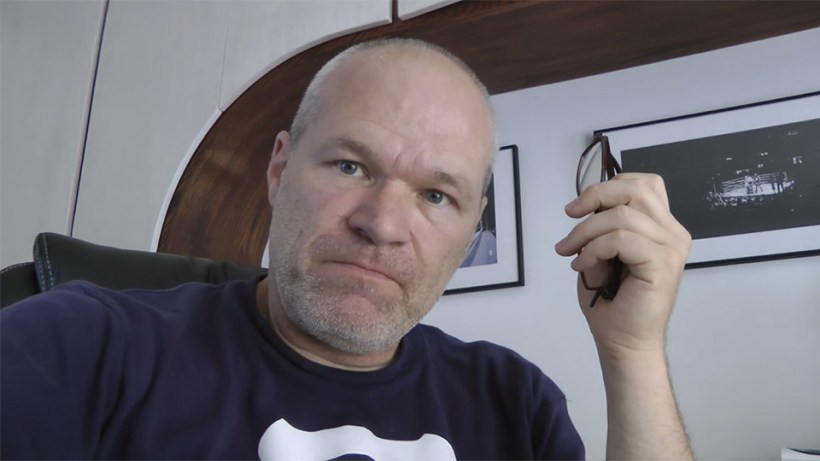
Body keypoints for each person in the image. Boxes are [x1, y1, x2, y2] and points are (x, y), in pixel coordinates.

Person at [0, 38, 693, 459]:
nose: (383, 223)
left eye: (435, 195)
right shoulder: (83, 345)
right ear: (279, 168)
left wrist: (631, 353)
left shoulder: (517, 406)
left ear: (471, 227)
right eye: (350, 166)